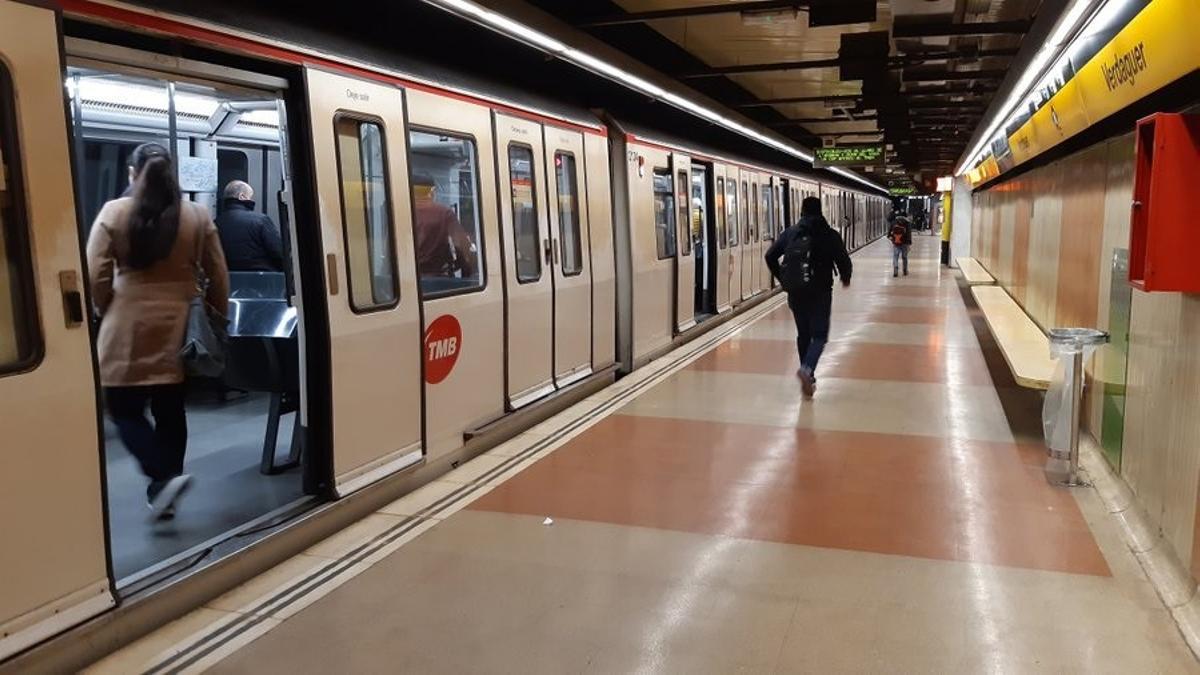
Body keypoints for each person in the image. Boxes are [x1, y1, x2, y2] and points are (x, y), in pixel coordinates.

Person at [87, 143, 230, 521]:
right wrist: (216, 316)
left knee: (124, 410)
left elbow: (95, 275)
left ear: (133, 174)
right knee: (171, 410)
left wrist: (106, 307)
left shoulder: (113, 213)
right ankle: (165, 487)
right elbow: (218, 274)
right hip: (180, 325)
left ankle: (161, 478)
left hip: (126, 325)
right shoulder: (197, 216)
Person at [765, 196, 852, 398]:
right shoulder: (830, 234)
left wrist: (783, 279)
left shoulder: (790, 233)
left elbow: (770, 256)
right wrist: (846, 277)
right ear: (821, 211)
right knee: (819, 335)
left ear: (802, 211)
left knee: (803, 334)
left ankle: (808, 373)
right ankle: (807, 370)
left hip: (796, 292)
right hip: (821, 292)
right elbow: (843, 260)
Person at [412, 173, 477, 279]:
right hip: (438, 281)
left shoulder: (401, 213)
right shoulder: (444, 213)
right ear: (432, 192)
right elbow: (463, 247)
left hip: (407, 280)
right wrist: (470, 273)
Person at [214, 180, 286, 272]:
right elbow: (279, 253)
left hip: (230, 280)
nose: (252, 200)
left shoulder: (216, 223)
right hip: (263, 279)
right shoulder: (260, 220)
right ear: (242, 196)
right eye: (250, 197)